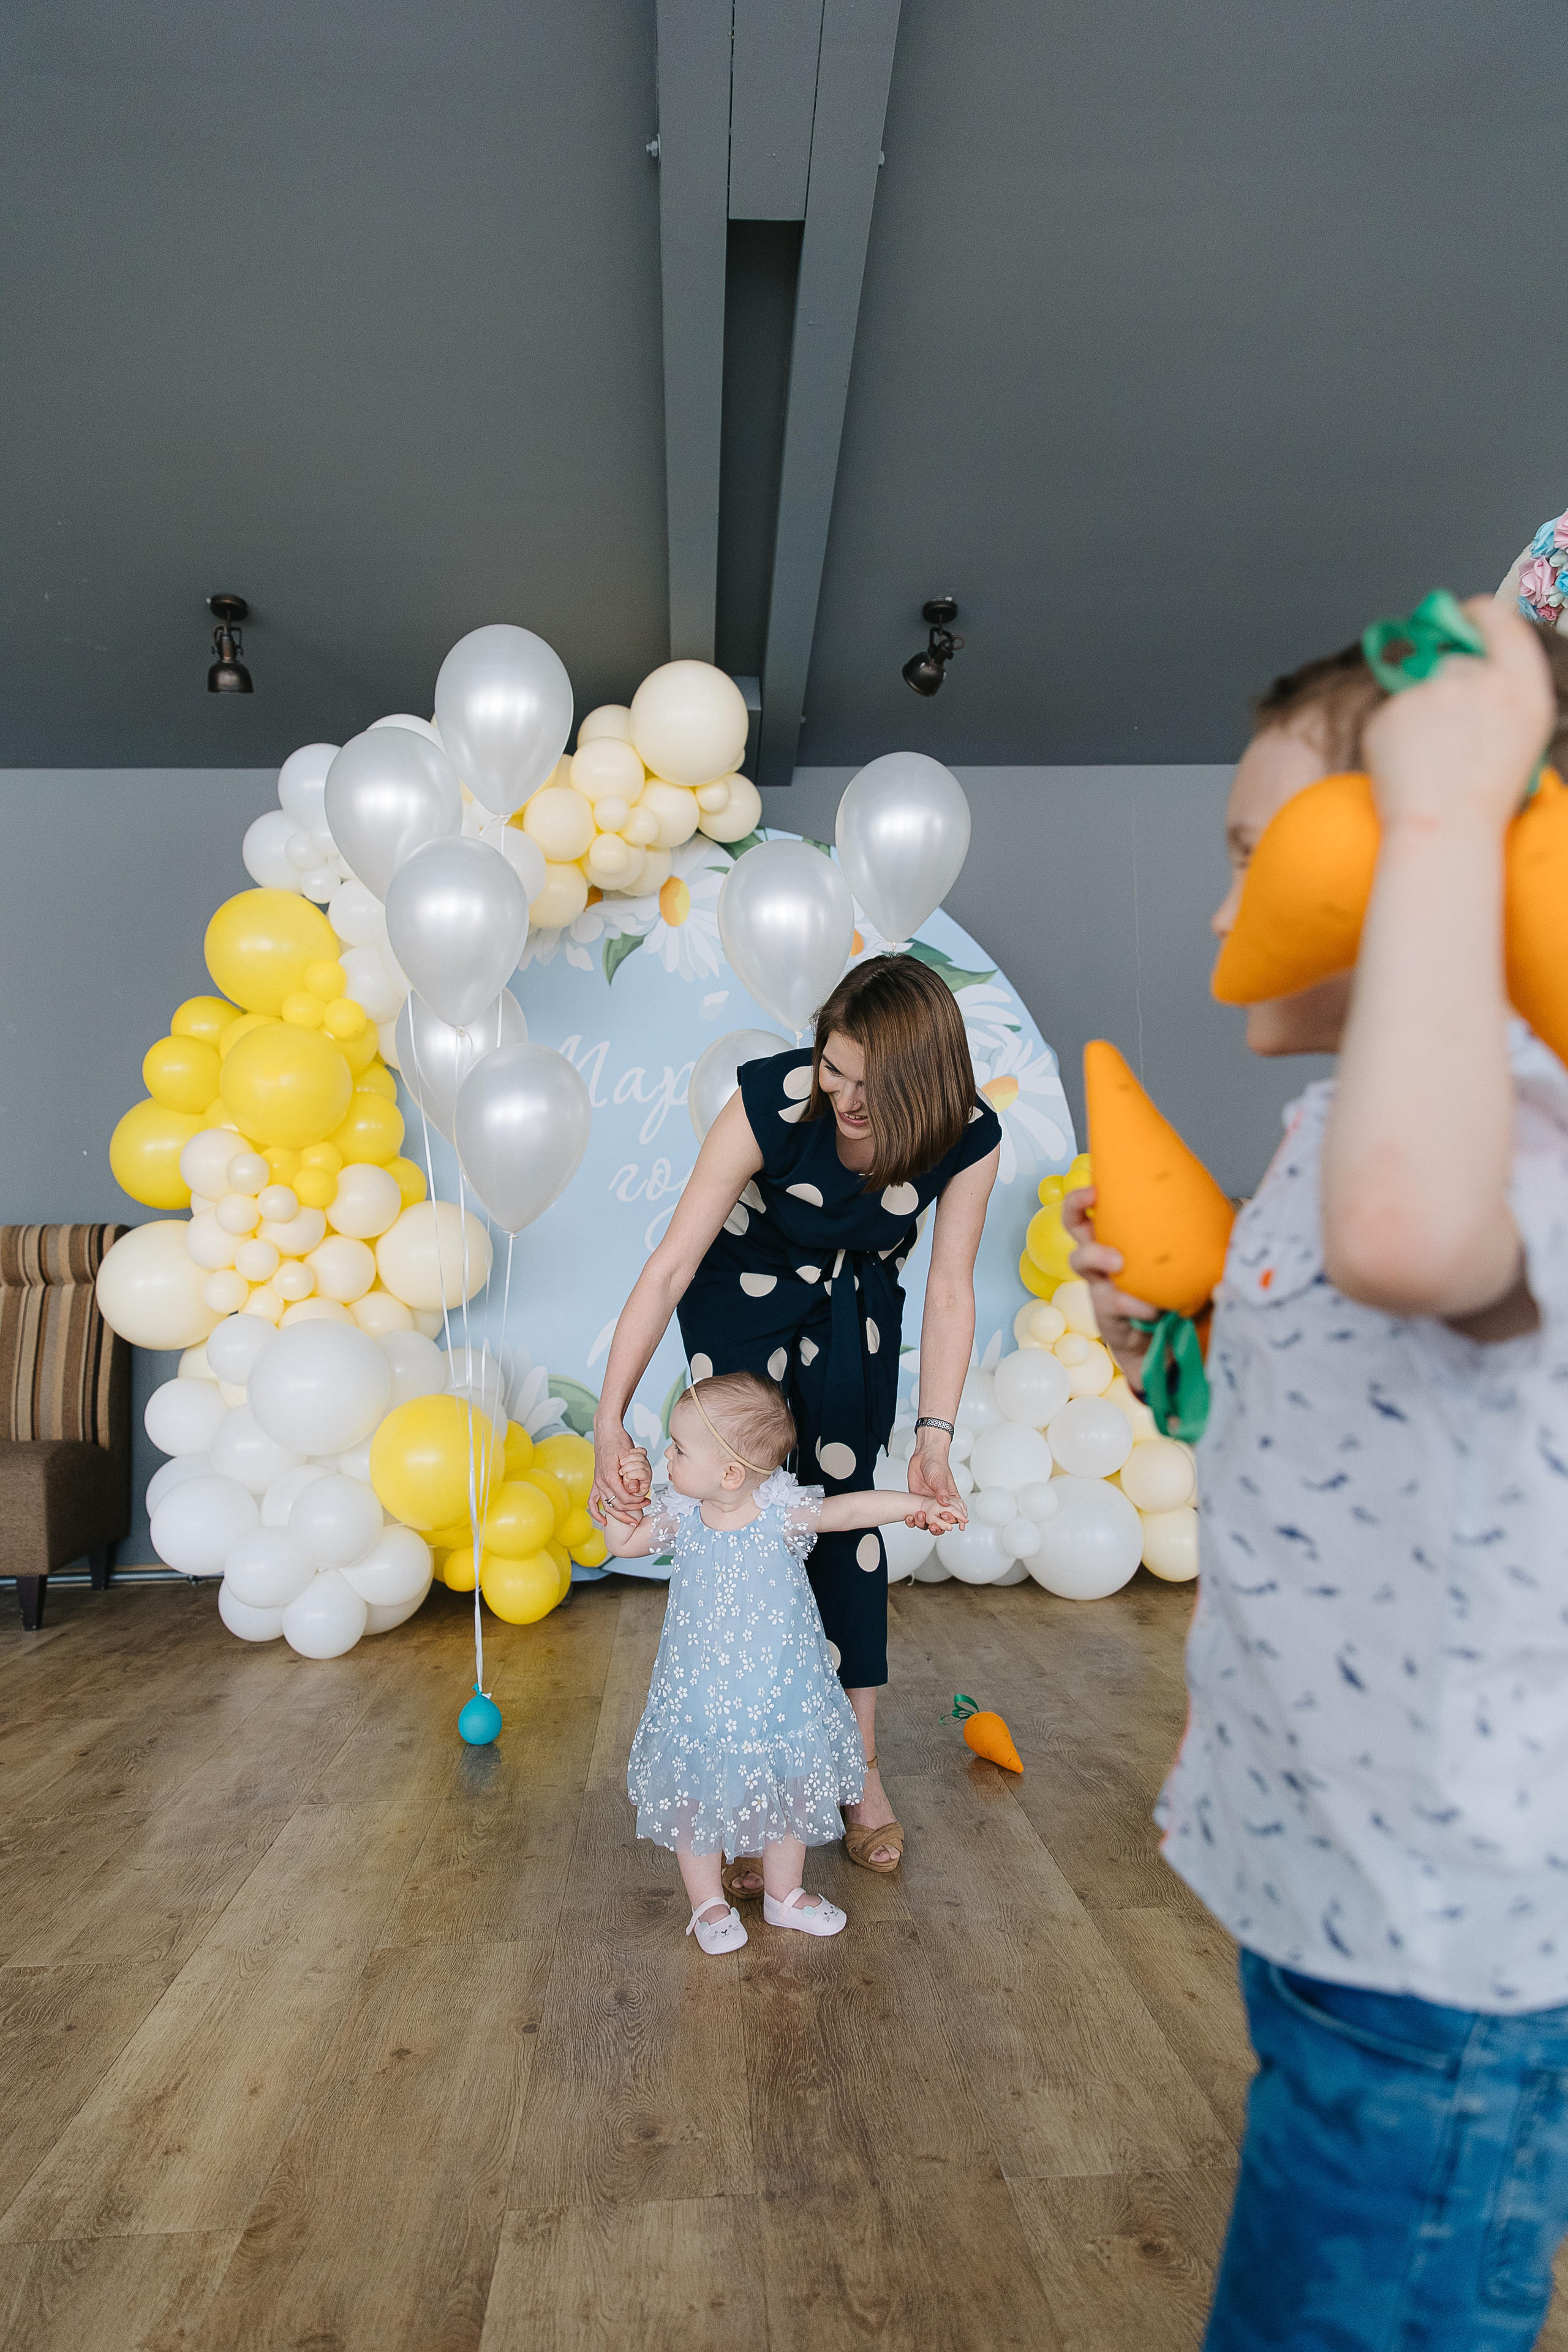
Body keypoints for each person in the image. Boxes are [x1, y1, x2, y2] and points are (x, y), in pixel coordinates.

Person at [1069, 598, 1568, 2350]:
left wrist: (1447, 805)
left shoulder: (1521, 1118)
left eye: (1254, 857)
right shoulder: (1321, 1139)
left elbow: (1419, 1242)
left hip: (1443, 1942)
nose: (1222, 911)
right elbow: (1337, 1413)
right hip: (1317, 1885)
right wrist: (1173, 1352)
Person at [592, 954, 1002, 1890]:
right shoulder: (771, 1101)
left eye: (871, 1082)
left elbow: (947, 1288)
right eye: (834, 1067)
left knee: (847, 1524)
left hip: (855, 1307)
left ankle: (856, 1774)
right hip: (741, 1297)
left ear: (924, 1083)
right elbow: (667, 1269)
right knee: (745, 1526)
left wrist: (934, 1436)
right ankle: (747, 1787)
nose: (846, 1097)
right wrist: (610, 1420)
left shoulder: (969, 1133)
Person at [605, 1370, 957, 1953]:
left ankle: (784, 1895)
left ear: (730, 1473)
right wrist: (629, 1495)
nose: (666, 1452)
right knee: (697, 1795)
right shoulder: (679, 1516)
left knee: (792, 1787)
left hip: (781, 1690)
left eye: (679, 1447)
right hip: (701, 1695)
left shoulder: (779, 1513)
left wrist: (917, 1505)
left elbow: (849, 1511)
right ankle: (709, 1905)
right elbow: (622, 1543)